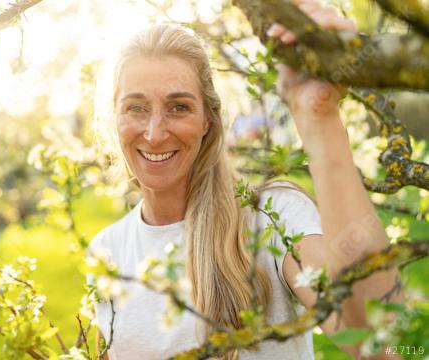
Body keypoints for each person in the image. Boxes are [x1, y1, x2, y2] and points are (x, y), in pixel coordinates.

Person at [87, 1, 401, 359]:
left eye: (179, 107)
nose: (155, 134)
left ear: (208, 119)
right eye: (136, 107)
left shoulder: (270, 218)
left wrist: (321, 120)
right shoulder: (106, 251)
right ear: (114, 116)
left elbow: (383, 345)